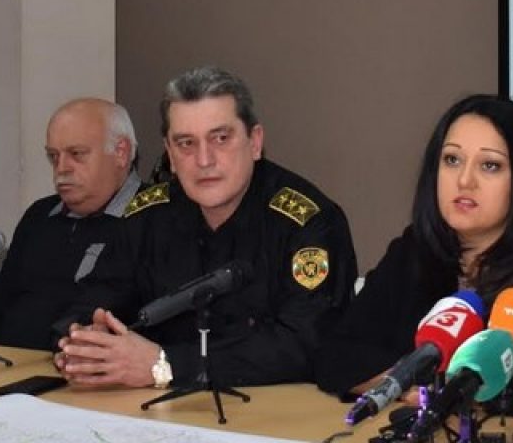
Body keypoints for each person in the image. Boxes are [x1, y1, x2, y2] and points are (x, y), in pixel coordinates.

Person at [315, 94, 513, 420]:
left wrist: (457, 393)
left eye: (490, 165)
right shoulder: (415, 249)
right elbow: (335, 356)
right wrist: (412, 386)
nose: (464, 180)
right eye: (452, 160)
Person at [55, 66, 357, 389]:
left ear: (255, 142)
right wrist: (86, 341)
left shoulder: (308, 222)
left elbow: (307, 345)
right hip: (150, 409)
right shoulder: (148, 215)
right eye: (186, 143)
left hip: (272, 409)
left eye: (221, 139)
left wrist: (166, 364)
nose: (204, 160)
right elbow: (92, 301)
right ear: (170, 155)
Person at [0, 98, 139, 350]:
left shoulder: (154, 220)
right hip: (8, 364)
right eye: (53, 156)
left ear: (121, 152)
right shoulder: (39, 215)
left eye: (77, 154)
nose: (61, 168)